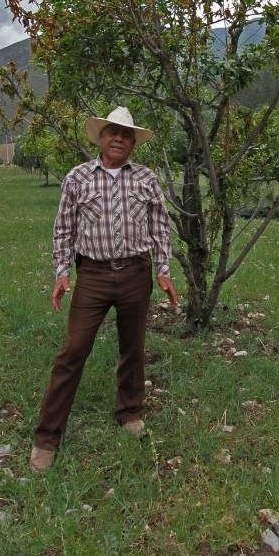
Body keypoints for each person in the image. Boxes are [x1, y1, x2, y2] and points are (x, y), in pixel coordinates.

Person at [29, 106, 178, 471]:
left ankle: (129, 412)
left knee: (133, 346)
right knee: (73, 350)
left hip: (135, 273)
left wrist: (164, 269)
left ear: (132, 143)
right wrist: (62, 272)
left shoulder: (145, 178)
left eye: (126, 135)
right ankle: (47, 438)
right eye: (113, 132)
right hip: (93, 276)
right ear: (101, 137)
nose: (119, 139)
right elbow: (63, 228)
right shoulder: (78, 178)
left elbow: (160, 225)